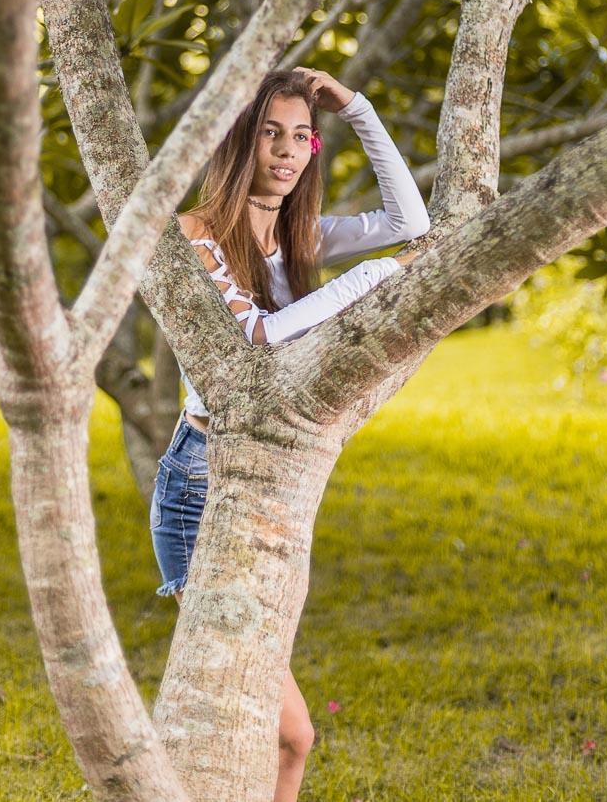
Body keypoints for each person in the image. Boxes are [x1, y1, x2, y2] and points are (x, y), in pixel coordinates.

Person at [150, 65, 429, 802]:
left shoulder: (298, 236)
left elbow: (411, 223)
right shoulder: (196, 235)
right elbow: (260, 336)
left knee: (277, 735)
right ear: (240, 141)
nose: (284, 149)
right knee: (283, 734)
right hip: (198, 488)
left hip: (266, 477)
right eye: (269, 132)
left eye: (300, 135)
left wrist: (354, 107)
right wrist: (373, 277)